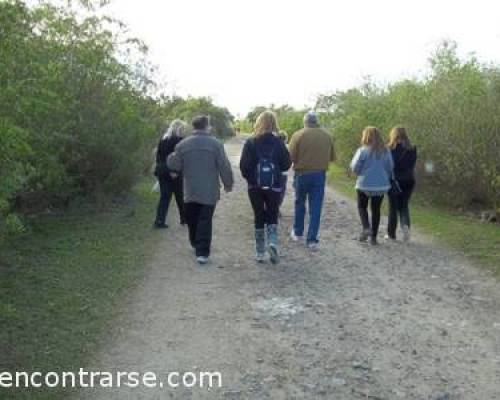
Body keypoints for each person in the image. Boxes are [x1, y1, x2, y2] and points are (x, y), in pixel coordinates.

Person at [167, 115, 234, 264]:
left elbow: (174, 165)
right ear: (206, 126)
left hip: (190, 190)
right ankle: (202, 252)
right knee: (205, 219)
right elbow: (224, 165)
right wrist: (228, 183)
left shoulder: (183, 145)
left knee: (192, 217)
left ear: (194, 126)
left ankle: (195, 243)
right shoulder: (216, 144)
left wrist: (170, 158)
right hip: (209, 190)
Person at [240, 112, 291, 264]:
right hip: (274, 186)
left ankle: (260, 252)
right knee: (272, 214)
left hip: (255, 187)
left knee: (258, 215)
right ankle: (273, 243)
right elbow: (287, 164)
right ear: (274, 124)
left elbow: (244, 167)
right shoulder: (278, 142)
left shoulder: (250, 142)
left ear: (258, 123)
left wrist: (252, 180)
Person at [288, 111, 335, 249]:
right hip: (319, 175)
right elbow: (332, 157)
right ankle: (312, 239)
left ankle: (297, 232)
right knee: (316, 207)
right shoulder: (327, 136)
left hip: (302, 174)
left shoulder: (298, 135)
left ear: (305, 122)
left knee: (299, 203)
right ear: (317, 122)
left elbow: (291, 156)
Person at [350, 126, 394, 245]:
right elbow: (390, 167)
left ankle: (366, 228)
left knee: (362, 207)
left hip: (364, 184)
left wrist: (360, 173)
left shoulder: (362, 150)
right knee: (376, 210)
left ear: (366, 136)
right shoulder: (386, 151)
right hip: (380, 185)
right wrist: (384, 176)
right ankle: (373, 238)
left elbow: (354, 167)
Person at [153, 119, 187, 228]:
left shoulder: (163, 139)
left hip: (162, 171)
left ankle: (159, 221)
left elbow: (158, 157)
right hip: (174, 172)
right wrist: (174, 171)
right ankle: (184, 219)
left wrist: (166, 170)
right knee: (179, 196)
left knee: (165, 197)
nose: (183, 130)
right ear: (178, 128)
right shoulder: (180, 141)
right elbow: (179, 159)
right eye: (182, 128)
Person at [386, 126, 417, 242]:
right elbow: (412, 165)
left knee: (393, 207)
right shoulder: (413, 148)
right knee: (404, 206)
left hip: (394, 180)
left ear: (393, 135)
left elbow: (388, 166)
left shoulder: (389, 148)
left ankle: (391, 234)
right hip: (409, 180)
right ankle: (405, 227)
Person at [277, 130, 289, 212]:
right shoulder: (286, 147)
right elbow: (289, 162)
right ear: (285, 139)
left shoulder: (272, 146)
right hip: (283, 174)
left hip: (274, 173)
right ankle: (277, 208)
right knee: (281, 192)